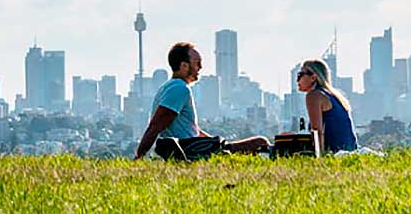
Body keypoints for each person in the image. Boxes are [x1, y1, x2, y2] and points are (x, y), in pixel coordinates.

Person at [134, 42, 270, 160]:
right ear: (184, 66)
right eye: (197, 63)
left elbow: (189, 129)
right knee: (261, 143)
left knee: (249, 145)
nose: (200, 67)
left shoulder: (169, 87)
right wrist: (139, 156)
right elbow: (156, 125)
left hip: (196, 145)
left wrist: (212, 142)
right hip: (191, 150)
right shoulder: (179, 89)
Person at [296, 59, 357, 154]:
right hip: (350, 150)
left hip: (335, 152)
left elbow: (317, 131)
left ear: (313, 77)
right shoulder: (334, 96)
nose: (297, 79)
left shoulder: (314, 95)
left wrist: (320, 158)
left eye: (300, 75)